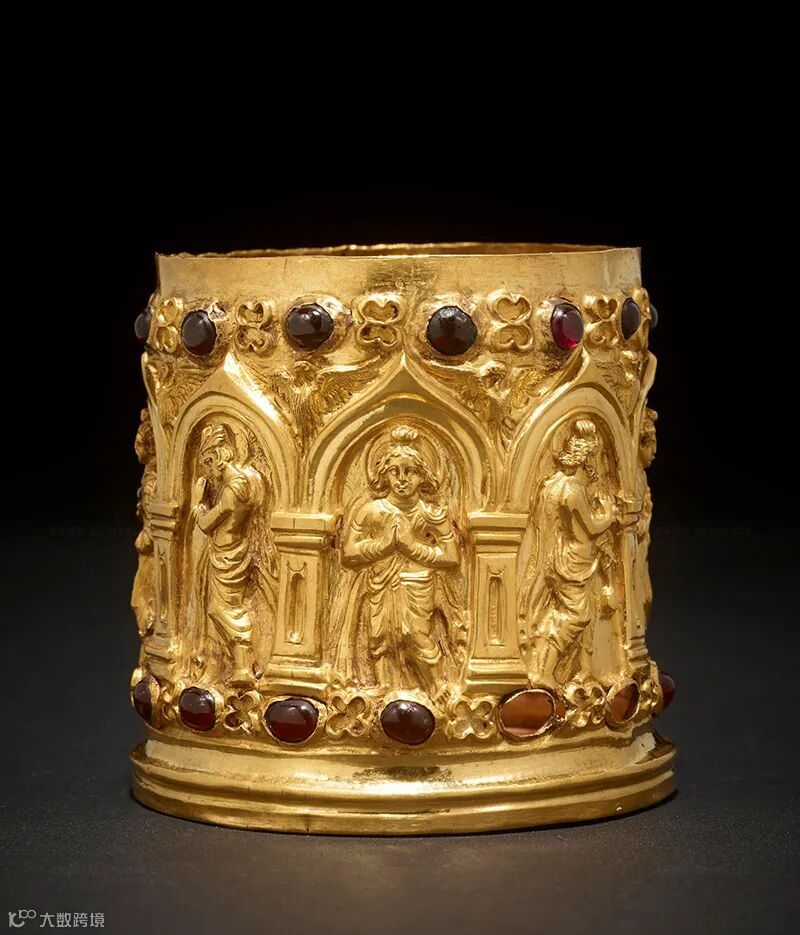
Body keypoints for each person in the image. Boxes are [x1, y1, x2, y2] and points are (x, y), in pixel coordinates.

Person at [332, 425, 465, 699]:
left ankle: (438, 684)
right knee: (379, 636)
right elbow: (348, 553)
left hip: (417, 582)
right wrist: (382, 546)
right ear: (384, 475)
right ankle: (383, 683)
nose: (402, 479)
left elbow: (452, 557)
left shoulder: (431, 514)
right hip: (380, 581)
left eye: (410, 472)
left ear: (423, 476)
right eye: (395, 472)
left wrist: (410, 546)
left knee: (414, 635)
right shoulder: (370, 510)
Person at [520, 419, 636, 685]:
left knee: (584, 613)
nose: (599, 463)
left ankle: (582, 669)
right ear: (587, 460)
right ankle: (543, 671)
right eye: (595, 457)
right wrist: (610, 515)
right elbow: (592, 527)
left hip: (572, 559)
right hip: (573, 563)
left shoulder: (556, 484)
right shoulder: (573, 489)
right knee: (576, 615)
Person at [191, 423, 270, 686]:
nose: (208, 472)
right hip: (233, 550)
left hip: (228, 555)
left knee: (224, 609)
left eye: (208, 463)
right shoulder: (247, 480)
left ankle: (243, 666)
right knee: (222, 608)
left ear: (216, 457)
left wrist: (197, 504)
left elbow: (206, 523)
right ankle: (235, 665)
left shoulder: (232, 490)